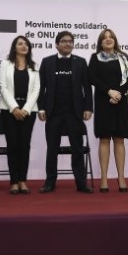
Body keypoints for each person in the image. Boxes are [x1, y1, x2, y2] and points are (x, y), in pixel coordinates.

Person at [37, 31, 94, 194]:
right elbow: (41, 88)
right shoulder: (47, 62)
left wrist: (88, 108)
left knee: (77, 149)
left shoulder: (81, 62)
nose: (67, 44)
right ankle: (50, 182)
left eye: (70, 41)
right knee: (52, 149)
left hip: (74, 113)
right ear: (56, 44)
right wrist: (41, 108)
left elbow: (87, 88)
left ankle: (81, 183)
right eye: (63, 41)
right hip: (53, 113)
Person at [89, 29, 128, 192]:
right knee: (104, 139)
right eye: (104, 38)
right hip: (103, 101)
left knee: (119, 139)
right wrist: (109, 91)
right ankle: (104, 178)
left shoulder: (123, 57)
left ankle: (121, 177)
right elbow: (92, 77)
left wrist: (119, 93)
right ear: (100, 42)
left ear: (115, 40)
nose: (108, 39)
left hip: (120, 101)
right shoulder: (96, 58)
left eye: (111, 37)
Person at [0, 36, 40, 195]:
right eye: (20, 44)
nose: (23, 46)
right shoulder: (5, 64)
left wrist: (26, 109)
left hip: (28, 111)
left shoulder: (34, 66)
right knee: (13, 145)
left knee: (24, 145)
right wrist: (15, 108)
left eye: (26, 44)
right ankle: (14, 182)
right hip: (9, 111)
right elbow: (3, 87)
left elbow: (36, 89)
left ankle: (23, 180)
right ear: (14, 47)